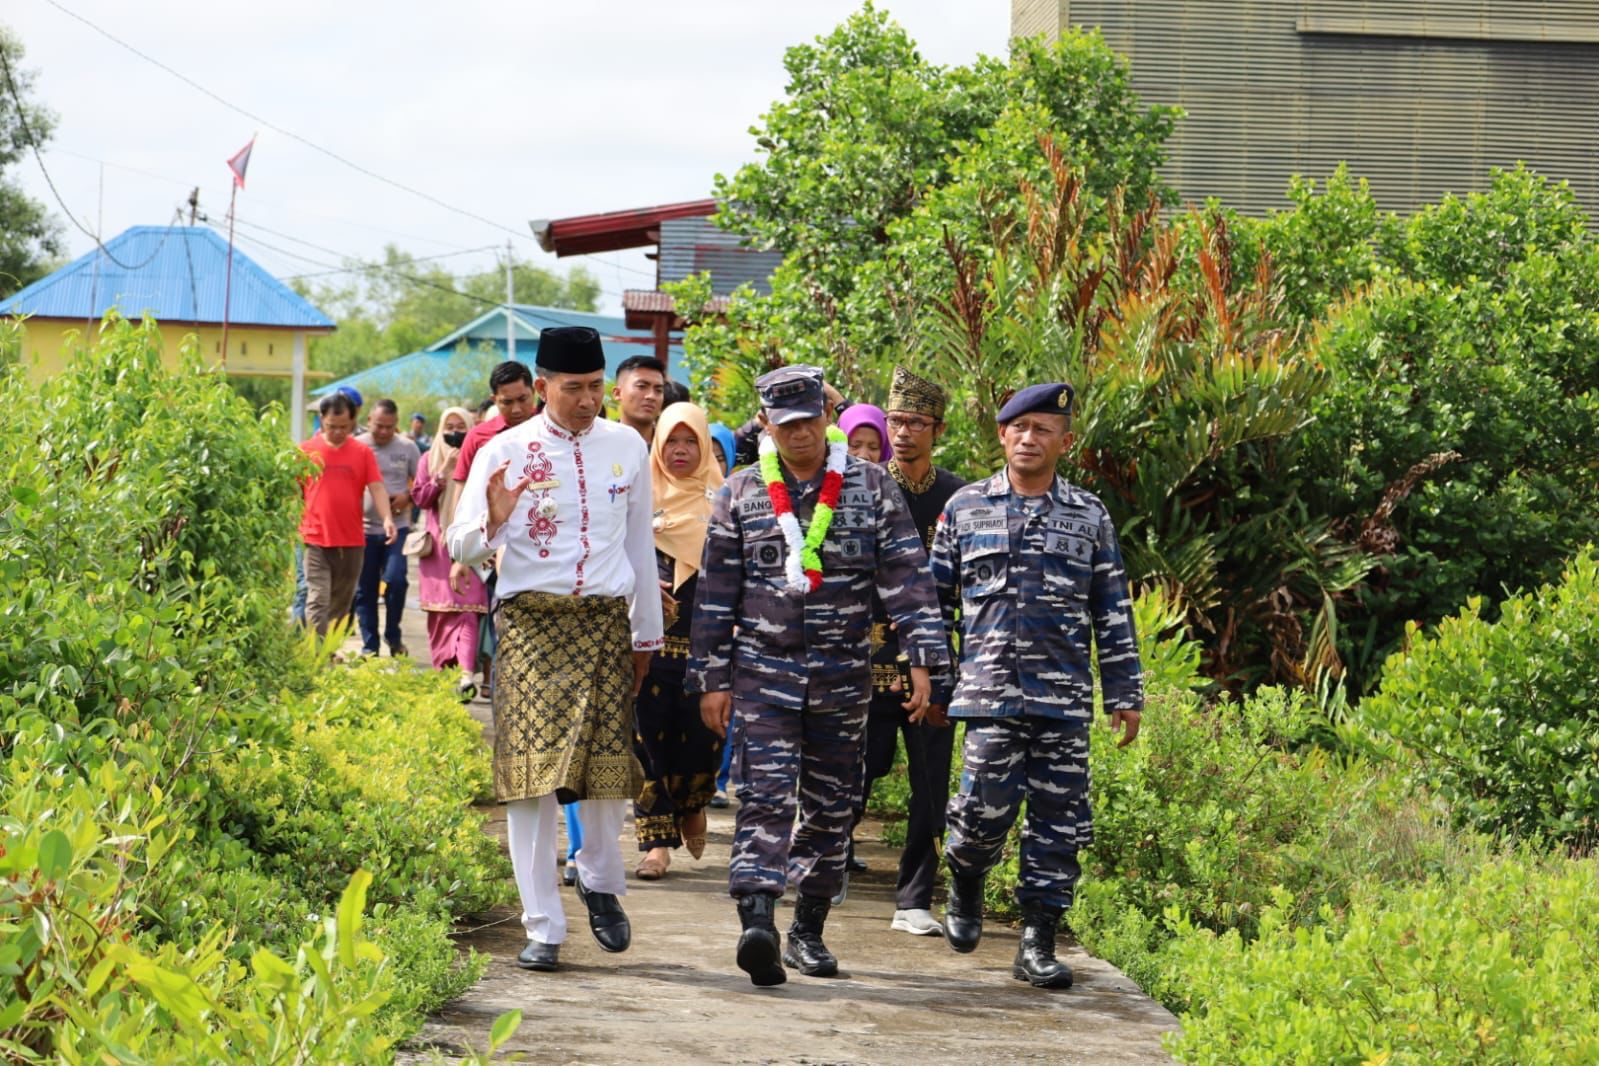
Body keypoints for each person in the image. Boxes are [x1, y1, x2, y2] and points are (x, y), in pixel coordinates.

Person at [686, 365, 948, 987]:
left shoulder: (870, 487)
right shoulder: (742, 492)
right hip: (762, 674)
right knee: (765, 797)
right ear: (766, 425)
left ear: (826, 419)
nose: (799, 434)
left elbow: (908, 578)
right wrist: (711, 678)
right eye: (786, 425)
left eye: (809, 421)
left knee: (833, 807)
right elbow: (718, 592)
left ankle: (808, 924)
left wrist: (923, 659)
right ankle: (757, 920)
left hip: (842, 677)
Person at [448, 326, 664, 975]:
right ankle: (541, 923)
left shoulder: (627, 445)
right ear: (542, 387)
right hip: (528, 627)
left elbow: (638, 551)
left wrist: (645, 636)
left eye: (597, 387)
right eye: (574, 389)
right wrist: (492, 521)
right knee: (529, 782)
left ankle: (597, 878)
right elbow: (460, 547)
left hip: (603, 623)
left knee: (603, 769)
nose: (588, 400)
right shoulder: (503, 451)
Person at [929, 382, 1144, 990]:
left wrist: (1125, 691)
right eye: (1019, 428)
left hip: (1064, 698)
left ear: (1064, 442)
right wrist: (937, 680)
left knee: (1059, 823)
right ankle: (966, 878)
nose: (1029, 438)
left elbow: (1111, 605)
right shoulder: (966, 508)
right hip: (989, 694)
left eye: (1043, 429)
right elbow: (933, 603)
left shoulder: (1089, 514)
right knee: (979, 812)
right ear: (1002, 435)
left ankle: (1037, 942)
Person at [849, 366, 970, 932]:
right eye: (895, 420)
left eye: (915, 423)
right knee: (855, 767)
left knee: (931, 781)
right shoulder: (862, 487)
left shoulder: (959, 498)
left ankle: (914, 898)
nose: (902, 432)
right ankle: (827, 864)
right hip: (866, 655)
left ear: (936, 429)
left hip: (934, 658)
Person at [632, 403, 726, 880]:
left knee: (699, 741)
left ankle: (693, 803)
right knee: (646, 742)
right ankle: (655, 842)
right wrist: (641, 582)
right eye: (672, 440)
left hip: (703, 642)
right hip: (646, 643)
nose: (682, 450)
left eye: (691, 441)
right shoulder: (636, 495)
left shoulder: (723, 499)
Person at [300, 392, 395, 639]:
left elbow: (376, 486)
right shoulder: (306, 451)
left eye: (344, 427)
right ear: (322, 420)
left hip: (351, 540)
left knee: (340, 605)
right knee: (317, 599)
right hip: (315, 538)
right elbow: (292, 492)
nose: (338, 432)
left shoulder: (362, 453)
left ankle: (328, 655)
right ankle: (314, 655)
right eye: (332, 427)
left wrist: (387, 518)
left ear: (353, 422)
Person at [411, 406, 488, 694]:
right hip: (438, 549)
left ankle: (466, 675)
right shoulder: (427, 460)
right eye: (449, 426)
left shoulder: (479, 459)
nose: (455, 432)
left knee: (468, 612)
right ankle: (443, 676)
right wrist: (442, 473)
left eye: (461, 427)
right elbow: (420, 499)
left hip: (468, 545)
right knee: (440, 615)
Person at [353, 399, 421, 658]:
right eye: (379, 426)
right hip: (362, 529)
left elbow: (422, 484)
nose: (383, 432)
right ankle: (369, 645)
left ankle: (393, 634)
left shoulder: (408, 447)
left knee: (396, 581)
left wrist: (408, 497)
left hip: (399, 527)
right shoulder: (358, 446)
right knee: (365, 588)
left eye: (389, 427)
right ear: (369, 421)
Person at [705, 420, 738, 810]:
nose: (713, 463)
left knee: (727, 703)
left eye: (720, 456)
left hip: (732, 621)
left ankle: (721, 777)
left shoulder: (741, 499)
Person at [611, 355, 667, 444]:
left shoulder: (669, 449)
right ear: (617, 393)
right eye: (641, 386)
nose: (651, 396)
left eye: (658, 390)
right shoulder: (600, 444)